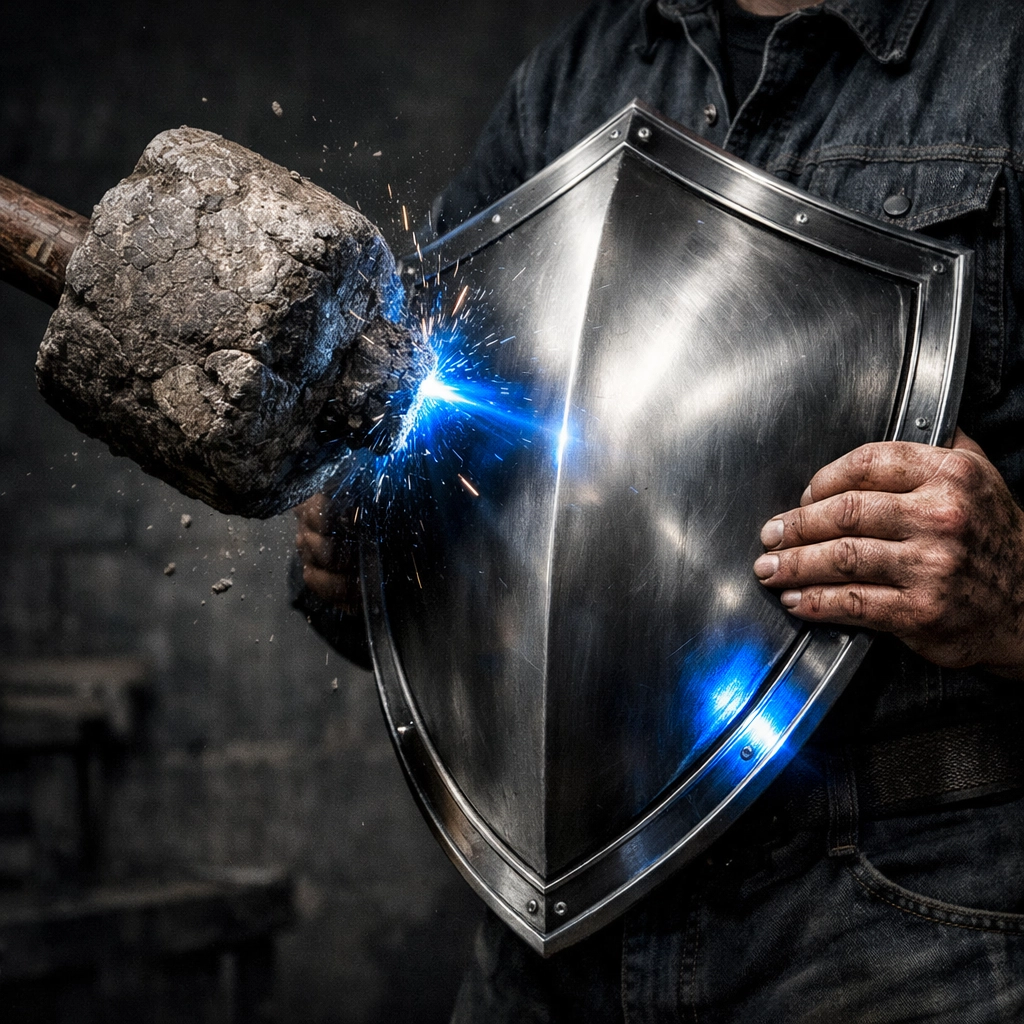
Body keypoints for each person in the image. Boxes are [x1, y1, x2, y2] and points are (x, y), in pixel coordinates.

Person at [295, 0, 1024, 1019]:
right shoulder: (569, 80)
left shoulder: (1000, 61)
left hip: (892, 920)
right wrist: (363, 552)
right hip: (555, 930)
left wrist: (1018, 594)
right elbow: (439, 454)